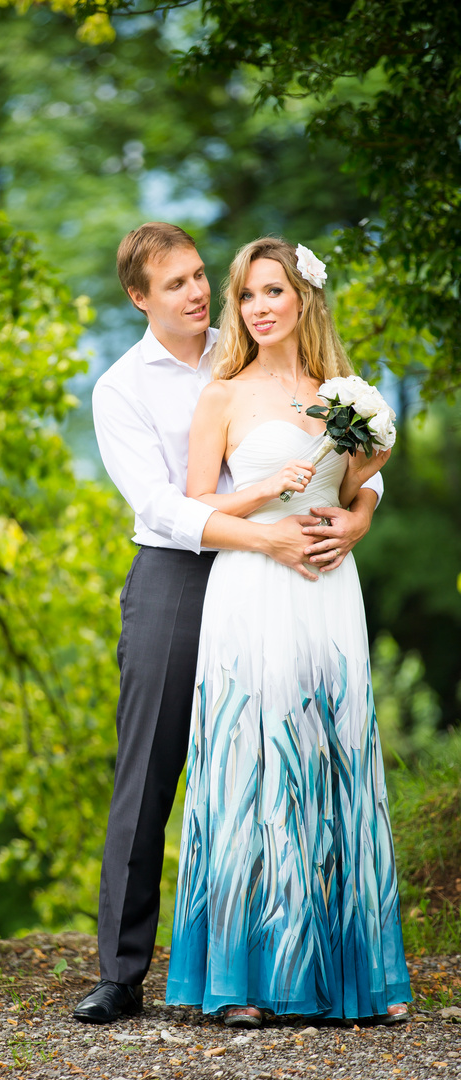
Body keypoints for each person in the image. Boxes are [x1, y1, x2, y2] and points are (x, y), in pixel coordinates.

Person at [72, 223, 384, 1025]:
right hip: (182, 570)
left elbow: (338, 459)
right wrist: (265, 536)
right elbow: (164, 506)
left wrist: (362, 513)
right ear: (140, 298)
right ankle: (121, 970)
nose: (200, 292)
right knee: (152, 767)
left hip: (287, 572)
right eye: (175, 283)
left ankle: (298, 950)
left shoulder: (246, 340)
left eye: (202, 275)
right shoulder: (121, 387)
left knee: (284, 754)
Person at [165, 236, 411, 1027]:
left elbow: (362, 486)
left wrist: (360, 523)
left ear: (304, 299)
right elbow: (196, 511)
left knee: (330, 756)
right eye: (247, 295)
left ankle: (350, 975)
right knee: (255, 759)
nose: (260, 307)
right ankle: (245, 979)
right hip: (251, 593)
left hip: (330, 592)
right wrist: (267, 486)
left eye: (274, 291)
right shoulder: (223, 395)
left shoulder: (344, 396)